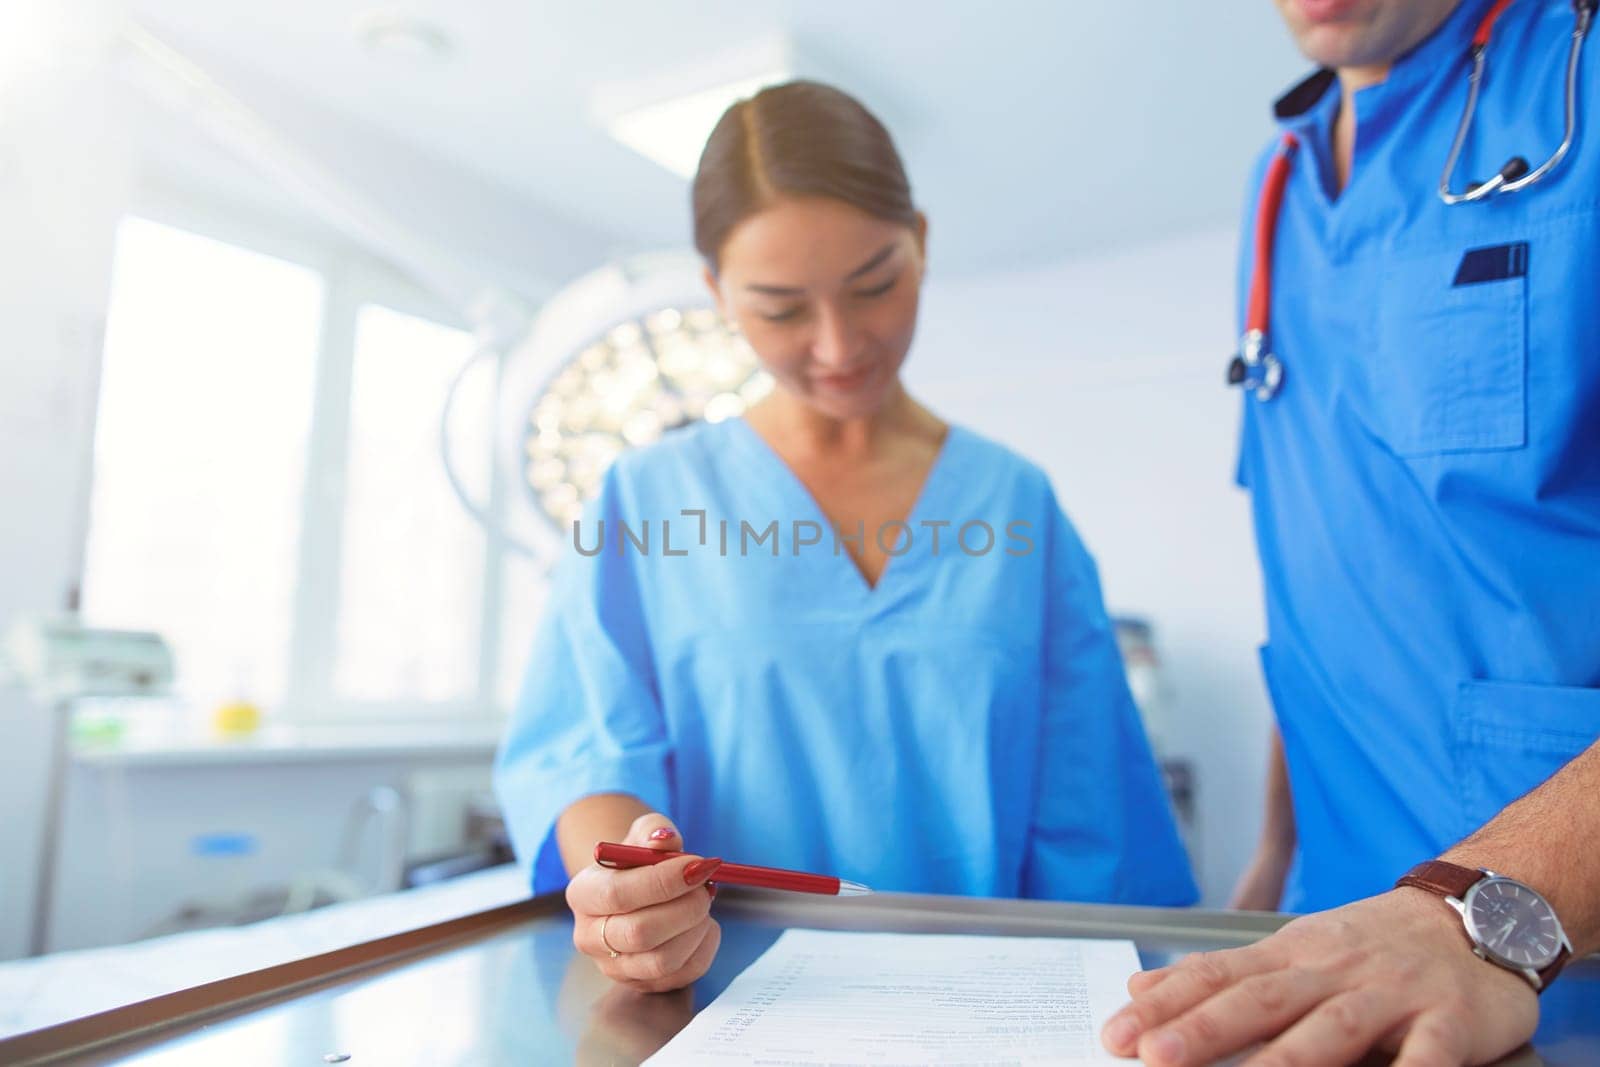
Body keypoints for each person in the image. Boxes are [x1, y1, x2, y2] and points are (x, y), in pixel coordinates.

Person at [494, 79, 1197, 994]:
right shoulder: (650, 498)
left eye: (876, 285)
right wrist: (628, 881)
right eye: (782, 309)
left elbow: (1091, 821)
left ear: (923, 244)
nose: (838, 345)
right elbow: (588, 754)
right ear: (716, 292)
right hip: (719, 1003)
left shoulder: (1015, 505)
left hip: (985, 1012)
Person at [1102, 0, 1600, 1063]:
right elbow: (1331, 562)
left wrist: (1473, 912)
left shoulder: (1580, 84)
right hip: (1338, 930)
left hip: (1551, 955)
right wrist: (1274, 858)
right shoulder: (1275, 183)